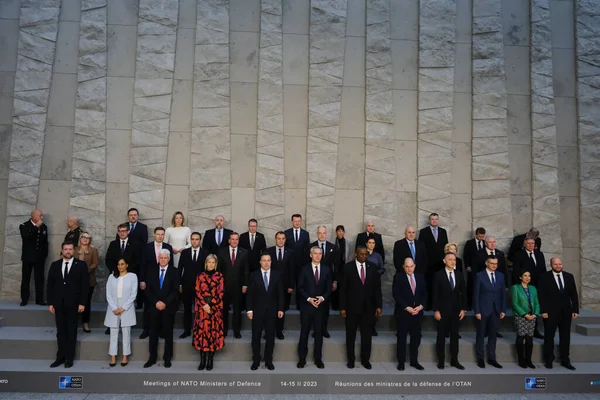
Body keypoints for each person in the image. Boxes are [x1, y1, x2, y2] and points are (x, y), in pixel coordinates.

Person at [339, 246, 382, 370]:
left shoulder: (372, 268)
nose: (363, 256)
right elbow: (343, 290)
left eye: (365, 254)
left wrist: (379, 306)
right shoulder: (348, 268)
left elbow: (377, 289)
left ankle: (365, 360)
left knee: (367, 336)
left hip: (368, 309)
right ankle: (351, 360)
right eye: (361, 254)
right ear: (356, 254)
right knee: (350, 336)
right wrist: (342, 308)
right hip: (351, 308)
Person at [47, 242, 89, 368]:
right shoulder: (55, 265)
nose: (68, 251)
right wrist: (50, 303)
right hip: (59, 304)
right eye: (66, 249)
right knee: (60, 332)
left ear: (74, 251)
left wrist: (82, 303)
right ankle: (60, 357)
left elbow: (85, 286)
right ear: (62, 250)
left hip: (74, 304)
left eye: (70, 249)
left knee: (71, 331)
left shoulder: (81, 265)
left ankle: (69, 359)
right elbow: (50, 285)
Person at [538, 257, 579, 370]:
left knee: (565, 336)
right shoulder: (544, 277)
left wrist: (575, 309)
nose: (558, 266)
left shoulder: (569, 276)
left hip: (566, 311)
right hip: (550, 312)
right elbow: (541, 296)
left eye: (560, 264)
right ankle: (549, 360)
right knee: (549, 336)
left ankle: (565, 360)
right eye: (555, 264)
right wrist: (543, 310)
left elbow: (574, 295)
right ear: (551, 265)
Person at [247, 253, 285, 370]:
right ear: (260, 262)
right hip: (257, 311)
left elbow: (280, 294)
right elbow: (250, 295)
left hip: (272, 311)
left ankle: (269, 360)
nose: (266, 263)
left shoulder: (276, 274)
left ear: (271, 262)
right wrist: (249, 310)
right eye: (264, 260)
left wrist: (281, 308)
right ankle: (256, 360)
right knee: (256, 336)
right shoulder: (254, 275)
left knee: (270, 337)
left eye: (268, 260)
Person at [297, 246, 332, 369]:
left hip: (320, 307)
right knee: (304, 333)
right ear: (311, 255)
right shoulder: (304, 269)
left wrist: (321, 298)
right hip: (307, 306)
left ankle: (318, 359)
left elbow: (329, 288)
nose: (318, 255)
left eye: (320, 253)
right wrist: (309, 299)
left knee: (318, 333)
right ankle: (302, 358)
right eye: (315, 253)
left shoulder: (327, 269)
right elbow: (300, 287)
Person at [144, 249, 180, 369]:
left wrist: (164, 302)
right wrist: (156, 302)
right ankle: (152, 358)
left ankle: (167, 358)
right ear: (158, 259)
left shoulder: (174, 272)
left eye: (165, 258)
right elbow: (148, 290)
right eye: (161, 257)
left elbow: (175, 291)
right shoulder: (151, 271)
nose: (163, 260)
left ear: (169, 259)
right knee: (153, 333)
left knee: (168, 333)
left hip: (168, 307)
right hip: (154, 307)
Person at [432, 252, 467, 370]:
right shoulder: (438, 275)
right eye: (450, 259)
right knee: (441, 336)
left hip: (456, 311)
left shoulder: (459, 275)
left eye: (454, 260)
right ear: (444, 261)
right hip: (442, 310)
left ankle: (454, 360)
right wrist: (436, 310)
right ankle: (441, 360)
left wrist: (464, 309)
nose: (453, 262)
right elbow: (435, 294)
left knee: (454, 336)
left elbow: (464, 294)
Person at [138, 227, 174, 339]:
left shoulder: (168, 247)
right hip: (149, 281)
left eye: (162, 234)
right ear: (154, 234)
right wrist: (142, 280)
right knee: (148, 306)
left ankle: (161, 330)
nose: (160, 236)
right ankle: (146, 329)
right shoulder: (147, 247)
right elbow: (142, 264)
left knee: (162, 305)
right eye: (158, 234)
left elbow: (170, 265)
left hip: (163, 281)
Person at [393, 257, 426, 371]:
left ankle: (414, 361)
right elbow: (396, 294)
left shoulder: (420, 277)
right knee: (402, 338)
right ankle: (401, 362)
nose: (409, 269)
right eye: (407, 266)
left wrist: (421, 306)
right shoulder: (398, 277)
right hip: (403, 313)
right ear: (403, 267)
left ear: (414, 266)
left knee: (416, 338)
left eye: (411, 266)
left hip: (417, 313)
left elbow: (424, 294)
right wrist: (406, 307)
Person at [193, 254, 225, 371]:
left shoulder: (219, 276)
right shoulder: (200, 276)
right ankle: (202, 360)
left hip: (214, 310)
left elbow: (220, 293)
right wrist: (204, 305)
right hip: (202, 310)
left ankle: (210, 360)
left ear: (215, 264)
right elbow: (197, 291)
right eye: (209, 262)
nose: (210, 264)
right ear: (205, 263)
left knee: (212, 335)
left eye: (213, 262)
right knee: (202, 334)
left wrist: (210, 305)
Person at [104, 258, 138, 367]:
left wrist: (123, 308)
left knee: (126, 332)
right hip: (113, 307)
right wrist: (114, 308)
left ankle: (125, 356)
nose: (120, 266)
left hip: (126, 307)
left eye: (122, 264)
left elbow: (133, 294)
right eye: (118, 264)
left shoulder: (132, 277)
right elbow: (108, 293)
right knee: (113, 332)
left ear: (127, 265)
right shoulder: (111, 276)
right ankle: (113, 356)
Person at [473, 256, 506, 369]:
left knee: (493, 335)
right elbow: (476, 295)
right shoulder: (479, 275)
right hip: (483, 310)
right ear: (487, 263)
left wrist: (502, 309)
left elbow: (503, 294)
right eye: (492, 263)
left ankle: (492, 358)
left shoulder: (501, 276)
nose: (494, 265)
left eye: (496, 263)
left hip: (496, 310)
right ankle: (480, 358)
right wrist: (477, 310)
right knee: (481, 335)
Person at [512, 237, 546, 339]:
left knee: (535, 306)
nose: (531, 245)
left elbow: (543, 269)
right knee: (526, 306)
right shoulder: (519, 255)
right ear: (524, 244)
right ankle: (524, 329)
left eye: (532, 243)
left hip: (538, 285)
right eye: (529, 243)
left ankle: (535, 330)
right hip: (525, 285)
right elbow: (516, 271)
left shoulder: (539, 254)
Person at [309, 225, 339, 338]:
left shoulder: (333, 247)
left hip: (327, 282)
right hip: (313, 282)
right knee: (314, 306)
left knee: (325, 307)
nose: (322, 235)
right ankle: (315, 330)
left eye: (324, 233)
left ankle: (324, 329)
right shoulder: (311, 246)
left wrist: (335, 281)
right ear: (317, 233)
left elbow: (336, 266)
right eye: (320, 233)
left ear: (326, 234)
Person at [219, 232, 249, 338]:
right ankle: (224, 330)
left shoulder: (244, 252)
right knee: (224, 310)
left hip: (238, 286)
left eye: (236, 239)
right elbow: (219, 270)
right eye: (232, 239)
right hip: (224, 286)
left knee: (237, 310)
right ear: (229, 240)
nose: (235, 241)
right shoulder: (221, 252)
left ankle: (237, 331)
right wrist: (219, 285)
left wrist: (245, 284)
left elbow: (246, 270)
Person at [267, 231, 296, 339]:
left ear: (285, 240)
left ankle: (279, 330)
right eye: (279, 238)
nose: (281, 240)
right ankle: (269, 331)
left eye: (283, 238)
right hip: (270, 285)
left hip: (284, 286)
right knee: (269, 309)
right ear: (275, 239)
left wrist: (291, 285)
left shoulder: (290, 252)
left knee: (281, 308)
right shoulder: (269, 251)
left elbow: (292, 270)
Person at [178, 231, 206, 339]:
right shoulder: (185, 253)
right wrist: (180, 283)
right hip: (187, 285)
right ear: (190, 240)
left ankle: (199, 330)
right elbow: (180, 268)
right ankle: (186, 330)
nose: (195, 241)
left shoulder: (205, 252)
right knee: (187, 309)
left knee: (200, 310)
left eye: (197, 239)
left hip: (201, 286)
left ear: (200, 240)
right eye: (193, 239)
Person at [419, 213, 449, 310]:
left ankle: (439, 305)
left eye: (436, 219)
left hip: (441, 264)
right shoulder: (424, 232)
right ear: (429, 220)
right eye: (433, 219)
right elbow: (421, 248)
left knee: (440, 285)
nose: (434, 221)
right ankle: (428, 305)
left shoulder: (443, 231)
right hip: (428, 264)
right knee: (429, 285)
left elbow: (446, 247)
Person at [19, 209, 49, 306]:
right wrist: (36, 227)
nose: (42, 217)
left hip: (39, 258)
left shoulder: (44, 227)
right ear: (34, 216)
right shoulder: (24, 226)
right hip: (28, 257)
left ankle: (39, 300)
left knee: (40, 279)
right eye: (40, 215)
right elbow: (26, 237)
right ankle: (24, 300)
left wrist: (45, 254)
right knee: (26, 279)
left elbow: (45, 242)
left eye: (42, 215)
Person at [511, 270, 540, 368]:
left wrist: (536, 313)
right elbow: (515, 303)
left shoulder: (533, 288)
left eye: (529, 276)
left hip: (532, 316)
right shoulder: (515, 288)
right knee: (521, 337)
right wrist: (524, 314)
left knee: (529, 339)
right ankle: (521, 360)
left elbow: (536, 302)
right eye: (525, 276)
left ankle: (529, 360)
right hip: (520, 316)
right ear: (520, 277)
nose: (527, 278)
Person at [75, 232, 99, 333]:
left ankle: (85, 323)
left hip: (89, 279)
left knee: (86, 302)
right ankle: (74, 322)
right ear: (80, 238)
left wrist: (86, 270)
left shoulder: (93, 250)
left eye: (88, 238)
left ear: (90, 240)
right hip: (74, 280)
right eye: (83, 237)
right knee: (74, 301)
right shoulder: (74, 249)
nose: (85, 239)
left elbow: (95, 263)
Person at [463, 227, 486, 309]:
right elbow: (465, 255)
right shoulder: (469, 243)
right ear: (476, 234)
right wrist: (467, 266)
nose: (481, 238)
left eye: (482, 236)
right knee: (471, 285)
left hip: (483, 268)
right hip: (472, 268)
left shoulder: (485, 243)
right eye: (479, 236)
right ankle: (470, 304)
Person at [366, 237, 385, 336]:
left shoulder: (378, 256)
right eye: (369, 242)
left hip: (375, 283)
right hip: (365, 284)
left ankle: (373, 327)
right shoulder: (363, 254)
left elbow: (382, 268)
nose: (371, 244)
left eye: (373, 243)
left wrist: (375, 273)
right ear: (366, 244)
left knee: (376, 305)